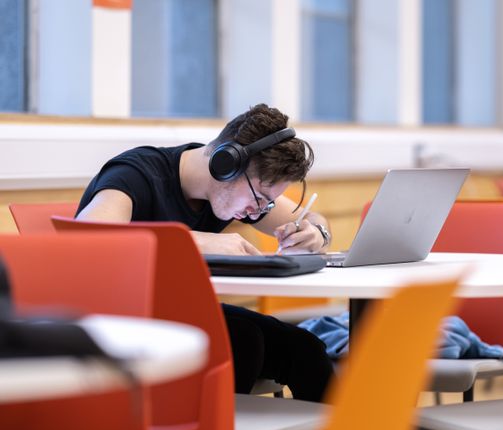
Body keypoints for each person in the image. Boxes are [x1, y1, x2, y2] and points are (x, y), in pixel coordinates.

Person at [75, 103, 334, 402]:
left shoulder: (235, 192)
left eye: (268, 203)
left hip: (178, 314)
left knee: (307, 350)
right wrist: (192, 240)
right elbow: (90, 238)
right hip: (116, 322)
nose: (258, 210)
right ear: (225, 164)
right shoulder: (135, 174)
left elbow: (314, 219)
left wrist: (316, 234)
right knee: (241, 341)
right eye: (259, 197)